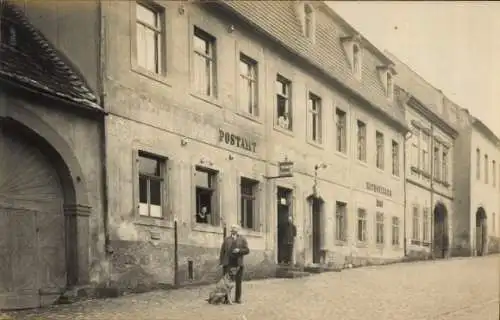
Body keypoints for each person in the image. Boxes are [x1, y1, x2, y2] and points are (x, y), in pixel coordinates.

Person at [219, 224, 250, 304]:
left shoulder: (242, 239)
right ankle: (226, 298)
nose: (233, 230)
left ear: (238, 230)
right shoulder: (226, 239)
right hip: (228, 263)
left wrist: (239, 250)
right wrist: (222, 262)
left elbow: (247, 250)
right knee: (226, 282)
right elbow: (222, 251)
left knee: (238, 282)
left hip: (238, 263)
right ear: (231, 230)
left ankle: (238, 298)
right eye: (232, 228)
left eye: (235, 228)